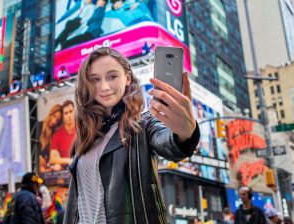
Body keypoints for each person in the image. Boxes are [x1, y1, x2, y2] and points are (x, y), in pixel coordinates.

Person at [63, 47, 200, 223]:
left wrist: (185, 131)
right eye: (95, 79)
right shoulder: (85, 138)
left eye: (112, 76)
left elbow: (171, 144)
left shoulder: (142, 124)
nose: (104, 86)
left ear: (127, 78)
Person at [50, 100, 77, 170]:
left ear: (75, 111)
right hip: (66, 171)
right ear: (63, 116)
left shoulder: (82, 129)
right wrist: (69, 161)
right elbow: (52, 158)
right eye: (66, 113)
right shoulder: (57, 135)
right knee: (57, 167)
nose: (69, 115)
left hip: (83, 167)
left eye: (71, 111)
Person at [39, 104, 63, 172]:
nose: (54, 121)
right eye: (54, 116)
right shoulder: (39, 125)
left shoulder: (54, 134)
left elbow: (52, 156)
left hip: (47, 165)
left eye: (57, 120)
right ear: (51, 113)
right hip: (38, 163)